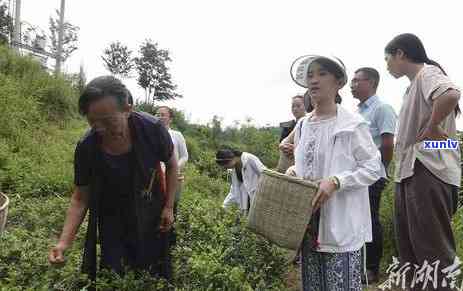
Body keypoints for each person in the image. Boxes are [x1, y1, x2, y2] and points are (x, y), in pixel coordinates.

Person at [48, 76, 178, 283]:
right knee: (114, 271)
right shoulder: (87, 146)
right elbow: (80, 198)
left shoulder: (152, 129)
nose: (100, 128)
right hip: (111, 214)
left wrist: (169, 207)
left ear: (127, 109)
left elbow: (171, 165)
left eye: (108, 121)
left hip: (148, 206)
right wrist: (63, 243)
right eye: (93, 122)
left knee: (152, 265)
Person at [282, 55, 382, 291]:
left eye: (322, 74)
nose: (314, 80)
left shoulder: (352, 124)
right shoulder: (304, 124)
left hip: (340, 225)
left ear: (338, 82)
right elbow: (305, 165)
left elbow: (373, 167)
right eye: (310, 75)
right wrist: (293, 170)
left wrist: (337, 181)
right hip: (308, 224)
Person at [385, 33, 461, 291]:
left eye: (388, 59)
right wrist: (435, 135)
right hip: (410, 172)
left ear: (400, 54)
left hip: (426, 171)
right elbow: (449, 143)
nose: (387, 65)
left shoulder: (426, 74)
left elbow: (451, 94)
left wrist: (431, 127)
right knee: (412, 252)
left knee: (433, 252)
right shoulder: (413, 86)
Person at [351, 67, 397, 283]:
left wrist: (380, 171)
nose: (352, 85)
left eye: (356, 81)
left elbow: (387, 144)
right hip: (356, 175)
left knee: (370, 220)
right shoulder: (357, 112)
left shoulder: (382, 108)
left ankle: (371, 269)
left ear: (371, 83)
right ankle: (357, 264)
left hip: (372, 175)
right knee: (357, 220)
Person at [157, 106, 189, 212]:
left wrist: (175, 167)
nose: (159, 117)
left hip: (173, 176)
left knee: (172, 205)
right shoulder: (151, 134)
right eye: (157, 114)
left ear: (170, 119)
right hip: (156, 176)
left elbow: (184, 156)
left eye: (163, 115)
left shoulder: (177, 135)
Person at [216, 148, 265, 215]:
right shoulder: (234, 169)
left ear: (231, 159)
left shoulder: (249, 159)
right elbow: (234, 190)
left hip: (260, 196)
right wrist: (224, 206)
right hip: (247, 200)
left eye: (226, 166)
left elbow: (264, 174)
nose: (227, 168)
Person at [278, 95, 307, 173]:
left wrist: (296, 149)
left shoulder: (310, 124)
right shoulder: (287, 126)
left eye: (298, 106)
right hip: (287, 164)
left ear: (306, 106)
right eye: (293, 106)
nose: (295, 109)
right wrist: (285, 147)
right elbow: (281, 144)